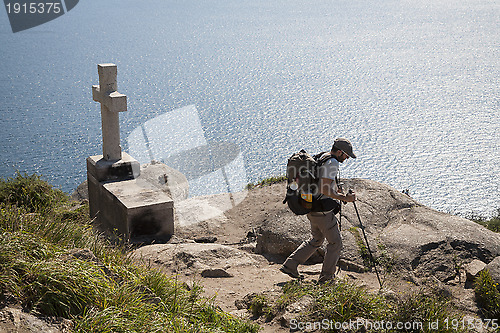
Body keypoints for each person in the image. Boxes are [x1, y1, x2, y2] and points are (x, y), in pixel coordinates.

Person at [280, 138, 357, 284]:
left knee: (317, 239)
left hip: (310, 205)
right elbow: (324, 188)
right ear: (340, 152)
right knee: (335, 243)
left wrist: (336, 189)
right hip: (323, 211)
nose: (346, 158)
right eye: (346, 155)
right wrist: (345, 198)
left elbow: (319, 182)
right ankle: (326, 279)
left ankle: (290, 265)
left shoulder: (323, 156)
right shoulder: (333, 162)